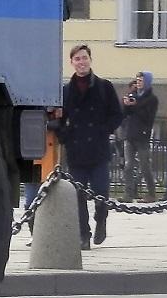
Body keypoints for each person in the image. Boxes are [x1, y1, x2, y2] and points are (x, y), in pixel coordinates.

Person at [52, 44, 123, 249]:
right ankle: (83, 234)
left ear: (90, 60)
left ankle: (101, 220)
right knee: (78, 196)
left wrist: (104, 130)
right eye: (77, 59)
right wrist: (64, 136)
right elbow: (58, 119)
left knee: (101, 192)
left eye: (84, 58)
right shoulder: (66, 91)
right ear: (72, 62)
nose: (81, 62)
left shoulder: (104, 86)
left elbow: (117, 114)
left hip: (98, 150)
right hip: (76, 151)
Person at [120, 71, 159, 200]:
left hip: (142, 135)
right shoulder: (133, 95)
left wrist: (135, 105)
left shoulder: (152, 99)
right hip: (130, 134)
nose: (138, 83)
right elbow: (125, 114)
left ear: (147, 82)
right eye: (137, 80)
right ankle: (129, 194)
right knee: (128, 166)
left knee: (144, 166)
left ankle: (151, 193)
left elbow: (148, 117)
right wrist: (126, 105)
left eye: (141, 80)